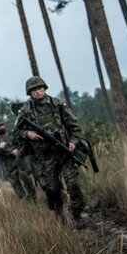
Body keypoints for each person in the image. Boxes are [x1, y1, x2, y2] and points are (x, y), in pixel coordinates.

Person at [14, 76, 86, 228]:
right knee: (52, 189)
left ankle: (77, 215)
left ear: (45, 88)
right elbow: (16, 133)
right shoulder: (25, 110)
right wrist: (28, 134)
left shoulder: (57, 104)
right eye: (34, 90)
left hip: (64, 152)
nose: (38, 92)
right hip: (44, 157)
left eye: (40, 88)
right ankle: (60, 216)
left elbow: (74, 126)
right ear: (30, 93)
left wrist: (73, 142)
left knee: (72, 184)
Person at [0, 117, 36, 201]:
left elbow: (22, 144)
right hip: (8, 164)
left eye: (2, 125)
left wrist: (18, 150)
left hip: (19, 161)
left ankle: (33, 197)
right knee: (15, 182)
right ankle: (24, 200)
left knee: (25, 178)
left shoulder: (12, 133)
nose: (1, 127)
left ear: (4, 124)